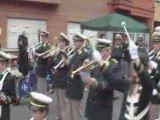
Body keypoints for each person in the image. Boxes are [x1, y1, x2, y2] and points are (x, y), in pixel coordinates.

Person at [85, 38, 130, 120]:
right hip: (92, 102)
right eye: (98, 50)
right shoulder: (96, 62)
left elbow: (112, 84)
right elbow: (91, 77)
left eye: (101, 50)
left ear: (108, 50)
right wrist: (86, 73)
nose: (99, 53)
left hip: (103, 104)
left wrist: (97, 84)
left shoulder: (113, 64)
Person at [63, 33, 88, 120]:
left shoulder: (84, 53)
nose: (74, 43)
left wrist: (70, 65)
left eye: (76, 41)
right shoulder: (76, 52)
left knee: (76, 112)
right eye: (73, 41)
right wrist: (64, 57)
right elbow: (69, 64)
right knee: (69, 111)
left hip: (77, 85)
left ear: (81, 42)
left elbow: (77, 68)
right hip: (71, 83)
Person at [51, 33, 70, 120]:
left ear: (65, 43)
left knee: (63, 103)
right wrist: (52, 57)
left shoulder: (67, 53)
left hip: (63, 80)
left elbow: (68, 66)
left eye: (62, 42)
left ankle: (64, 118)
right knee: (58, 102)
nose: (60, 43)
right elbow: (54, 64)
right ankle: (58, 117)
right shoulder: (58, 52)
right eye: (60, 41)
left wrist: (64, 58)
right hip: (57, 79)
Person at [0, 50, 17, 120]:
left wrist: (6, 98)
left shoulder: (9, 78)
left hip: (3, 110)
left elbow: (14, 98)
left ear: (3, 63)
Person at [149, 30, 160, 120]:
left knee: (154, 112)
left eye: (158, 43)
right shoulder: (151, 54)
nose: (155, 46)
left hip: (157, 87)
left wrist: (153, 69)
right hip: (150, 85)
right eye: (155, 43)